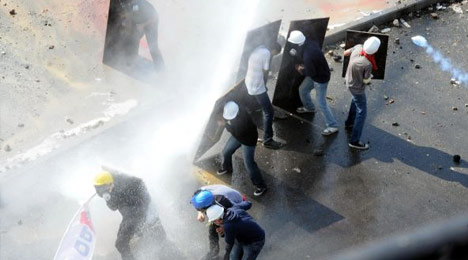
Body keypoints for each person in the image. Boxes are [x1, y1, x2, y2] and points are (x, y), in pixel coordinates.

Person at [94, 170, 165, 260]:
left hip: (137, 216)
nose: (101, 192)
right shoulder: (113, 190)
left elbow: (135, 209)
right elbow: (113, 207)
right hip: (134, 217)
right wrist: (108, 198)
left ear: (110, 184)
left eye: (103, 188)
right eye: (98, 189)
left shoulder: (122, 190)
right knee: (123, 243)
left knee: (121, 243)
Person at [287, 30, 339, 136]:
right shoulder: (309, 42)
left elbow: (311, 72)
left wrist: (300, 69)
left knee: (321, 103)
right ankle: (310, 108)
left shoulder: (308, 55)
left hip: (320, 79)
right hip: (319, 73)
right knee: (303, 90)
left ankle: (333, 125)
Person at [217, 101, 268, 196]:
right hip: (238, 135)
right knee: (226, 152)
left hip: (248, 141)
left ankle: (261, 185)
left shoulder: (242, 122)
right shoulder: (236, 107)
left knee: (249, 164)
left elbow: (235, 132)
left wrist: (225, 124)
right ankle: (227, 167)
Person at [343, 36, 381, 150]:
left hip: (348, 81)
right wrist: (370, 78)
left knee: (355, 101)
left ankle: (349, 123)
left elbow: (345, 53)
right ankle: (354, 141)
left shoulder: (358, 47)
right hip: (357, 88)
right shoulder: (367, 64)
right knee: (362, 111)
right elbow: (366, 81)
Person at [244, 42, 283, 149]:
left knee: (253, 108)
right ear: (274, 50)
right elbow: (265, 70)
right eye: (275, 54)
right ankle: (268, 140)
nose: (273, 55)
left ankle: (248, 132)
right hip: (257, 86)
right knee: (269, 112)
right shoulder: (266, 53)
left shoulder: (258, 48)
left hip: (249, 83)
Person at [190, 185, 245, 260]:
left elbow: (236, 217)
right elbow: (195, 200)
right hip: (220, 202)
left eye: (202, 209)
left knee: (232, 236)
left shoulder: (224, 203)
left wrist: (224, 227)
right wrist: (200, 212)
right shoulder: (200, 194)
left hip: (236, 202)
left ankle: (229, 256)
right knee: (212, 229)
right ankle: (214, 251)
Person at [117, 0, 164, 71]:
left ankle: (161, 70)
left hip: (151, 25)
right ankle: (131, 63)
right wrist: (128, 32)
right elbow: (130, 18)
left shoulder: (142, 4)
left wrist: (142, 25)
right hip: (140, 23)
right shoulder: (129, 6)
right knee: (133, 39)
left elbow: (155, 17)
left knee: (153, 47)